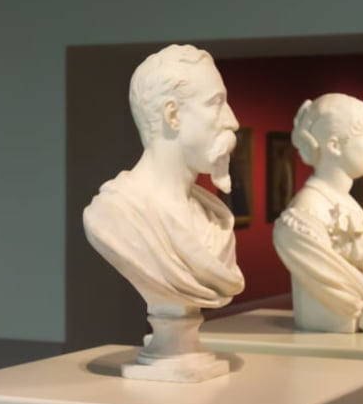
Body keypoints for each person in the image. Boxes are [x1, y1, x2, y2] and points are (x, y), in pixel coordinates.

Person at [83, 44, 244, 381]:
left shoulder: (213, 218)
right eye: (216, 104)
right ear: (172, 115)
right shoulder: (114, 215)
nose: (232, 120)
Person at [273, 93, 363, 333]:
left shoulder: (347, 204)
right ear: (334, 145)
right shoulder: (305, 214)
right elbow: (345, 287)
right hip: (331, 331)